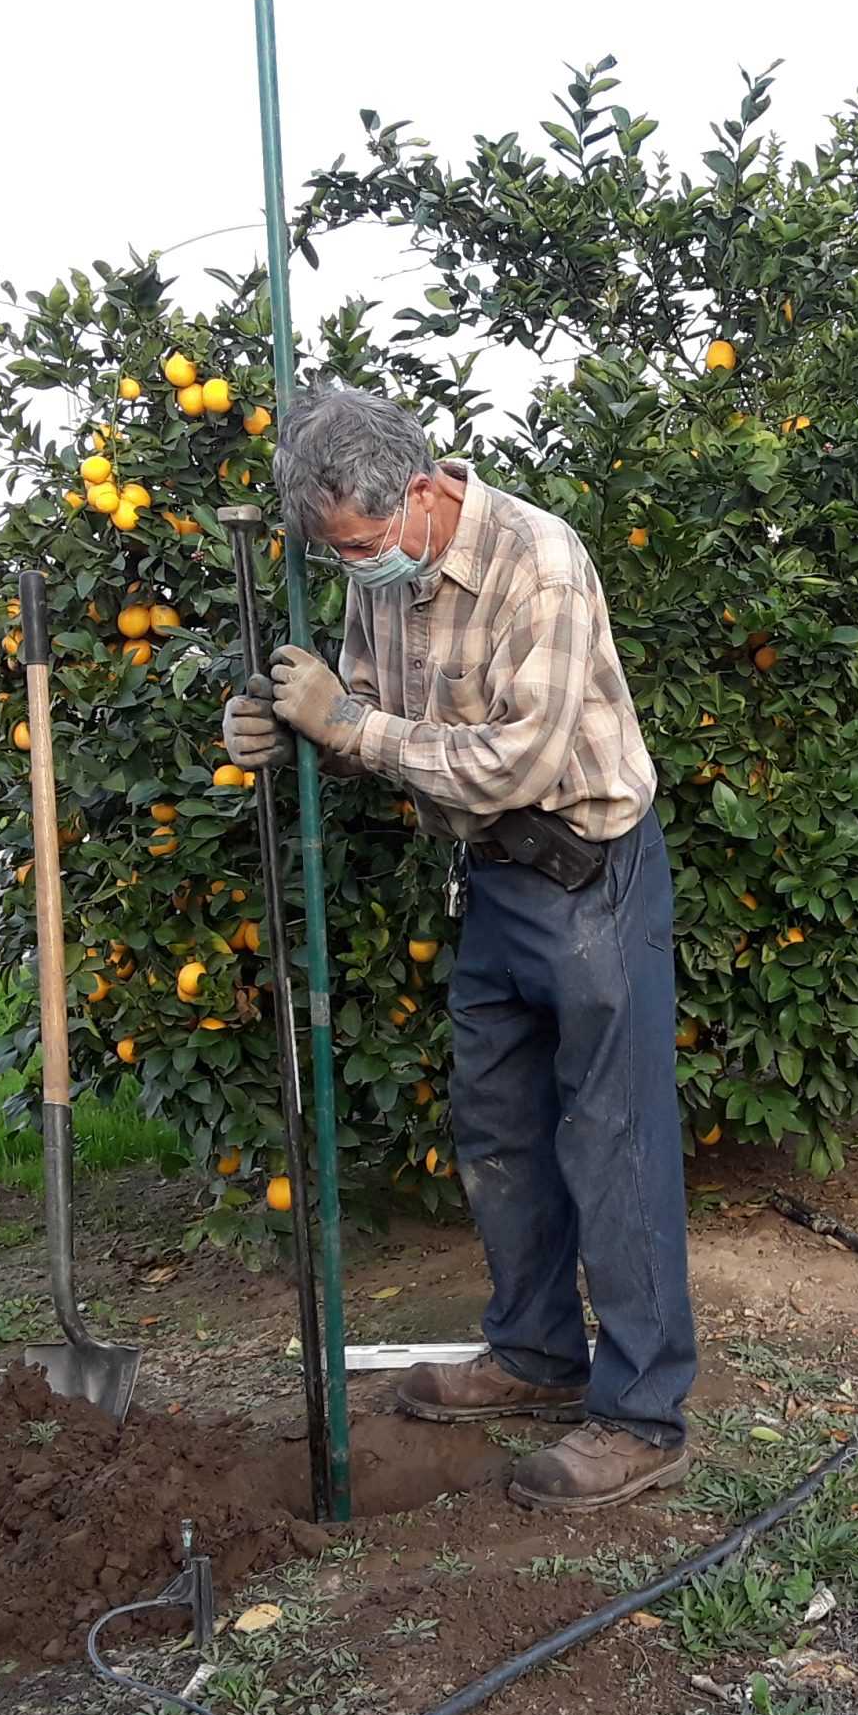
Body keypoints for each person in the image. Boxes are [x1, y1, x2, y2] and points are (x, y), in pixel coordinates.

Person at [221, 386, 695, 1511]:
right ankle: (534, 1356)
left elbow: (518, 761)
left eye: (366, 544)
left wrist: (350, 727)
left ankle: (641, 1416)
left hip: (591, 871)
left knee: (613, 1142)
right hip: (490, 877)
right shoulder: (368, 571)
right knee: (497, 1126)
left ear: (426, 492)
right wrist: (292, 732)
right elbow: (367, 716)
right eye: (335, 553)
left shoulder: (542, 559)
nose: (356, 569)